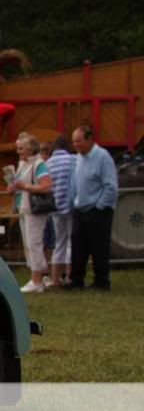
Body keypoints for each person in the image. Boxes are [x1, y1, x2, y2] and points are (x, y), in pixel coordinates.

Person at [64, 125, 118, 291]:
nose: (76, 145)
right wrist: (73, 202)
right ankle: (76, 281)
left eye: (79, 141)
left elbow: (110, 186)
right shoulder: (78, 158)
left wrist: (99, 206)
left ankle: (102, 282)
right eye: (74, 141)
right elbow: (74, 181)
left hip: (98, 210)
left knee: (99, 247)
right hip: (80, 209)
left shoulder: (103, 157)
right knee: (78, 246)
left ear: (89, 139)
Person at [8, 134, 51, 293]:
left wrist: (24, 186)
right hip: (23, 209)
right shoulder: (22, 164)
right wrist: (13, 188)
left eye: (21, 148)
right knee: (28, 243)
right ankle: (37, 277)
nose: (18, 152)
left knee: (34, 243)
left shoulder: (39, 164)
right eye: (18, 148)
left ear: (30, 149)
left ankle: (37, 280)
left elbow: (46, 186)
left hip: (35, 210)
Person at [44, 137, 76, 286]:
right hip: (71, 205)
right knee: (71, 241)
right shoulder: (73, 160)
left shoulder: (48, 164)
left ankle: (55, 279)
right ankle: (70, 276)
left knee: (59, 243)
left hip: (55, 207)